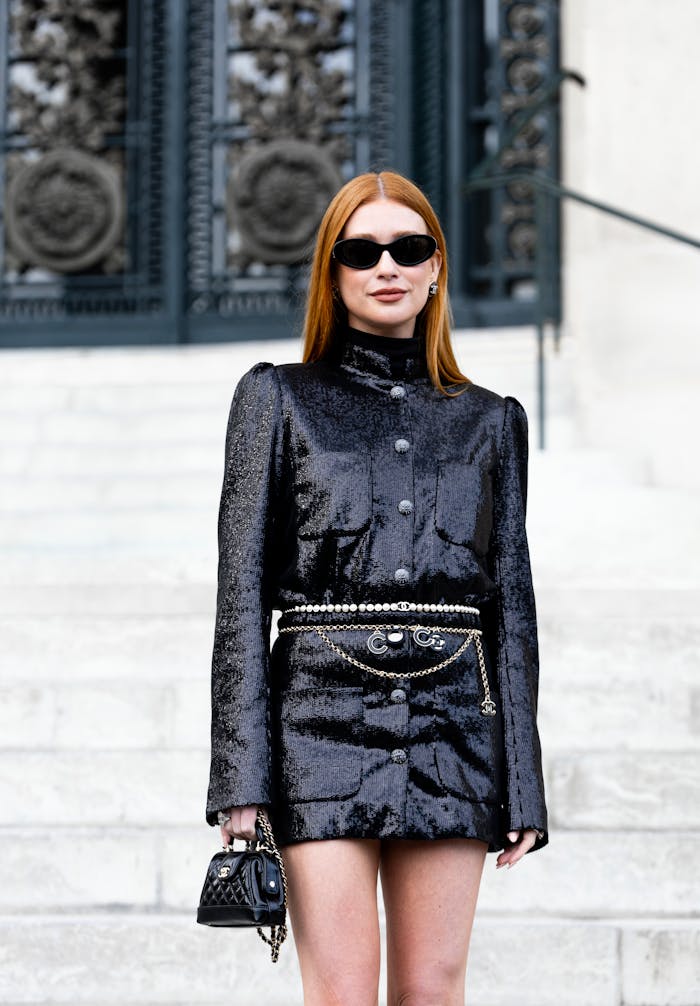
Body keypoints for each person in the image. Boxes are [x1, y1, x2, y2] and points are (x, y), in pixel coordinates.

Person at [205, 170, 548, 1005]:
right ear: (333, 271)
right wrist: (239, 773)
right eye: (363, 250)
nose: (387, 265)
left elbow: (511, 604)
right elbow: (240, 594)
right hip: (319, 720)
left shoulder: (492, 419)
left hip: (455, 726)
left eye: (410, 247)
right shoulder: (276, 400)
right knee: (343, 991)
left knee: (433, 987)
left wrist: (524, 778)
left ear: (436, 268)